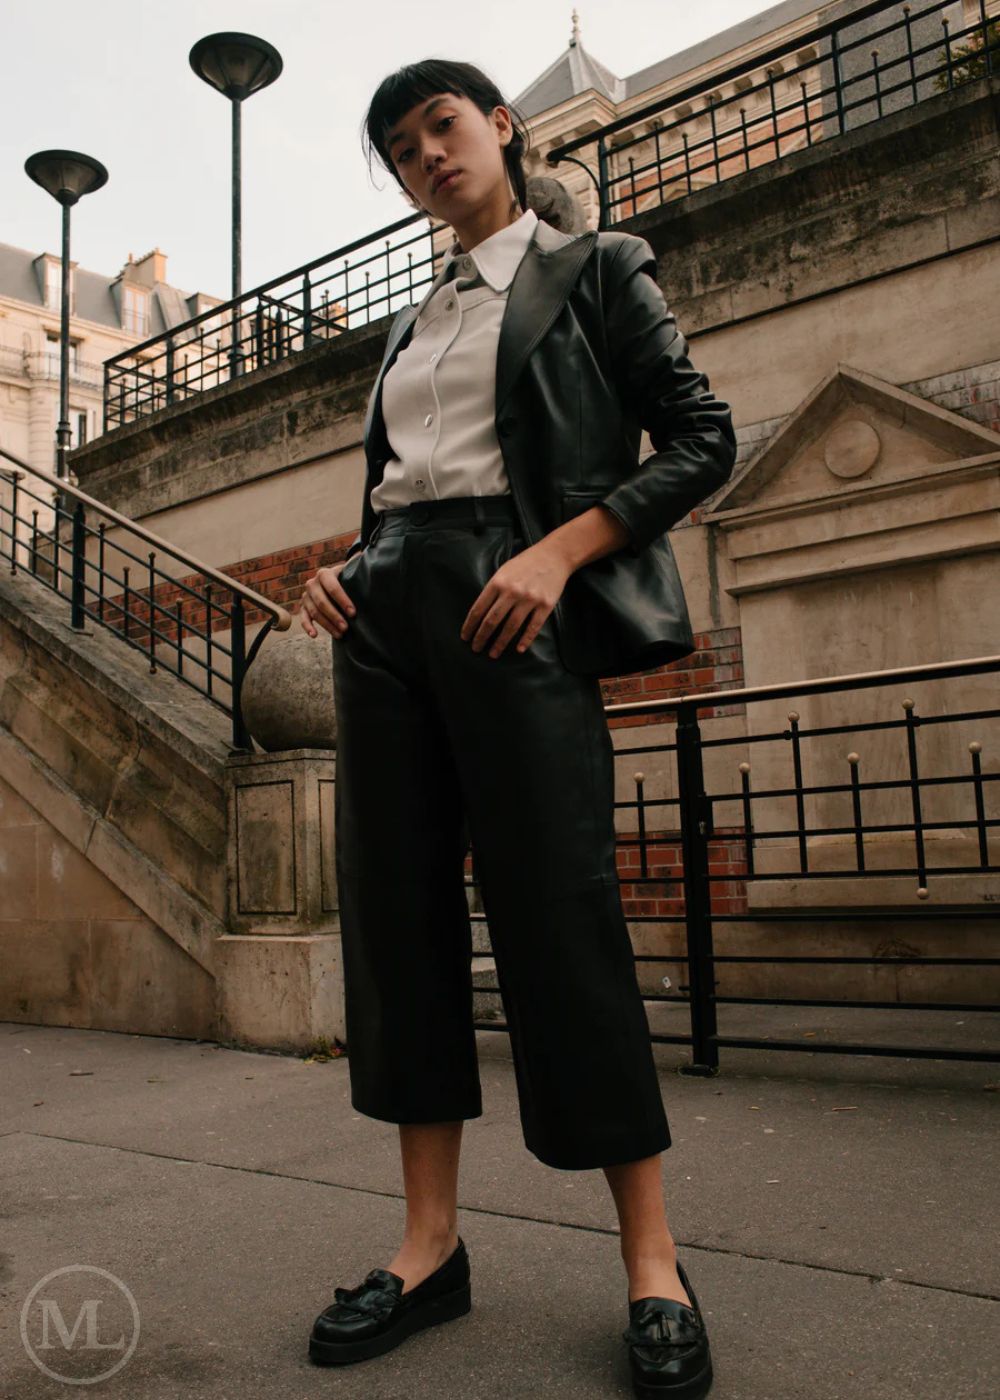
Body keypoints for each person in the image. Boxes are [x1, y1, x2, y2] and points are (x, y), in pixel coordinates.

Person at [298, 58, 735, 1400]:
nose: (423, 154)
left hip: (516, 599)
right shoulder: (412, 318)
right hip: (388, 622)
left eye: (440, 125)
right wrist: (349, 565)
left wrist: (558, 556)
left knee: (561, 912)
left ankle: (653, 1264)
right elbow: (403, 481)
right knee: (398, 922)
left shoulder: (593, 267)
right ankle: (430, 1248)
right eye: (397, 146)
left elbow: (701, 437)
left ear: (497, 124)